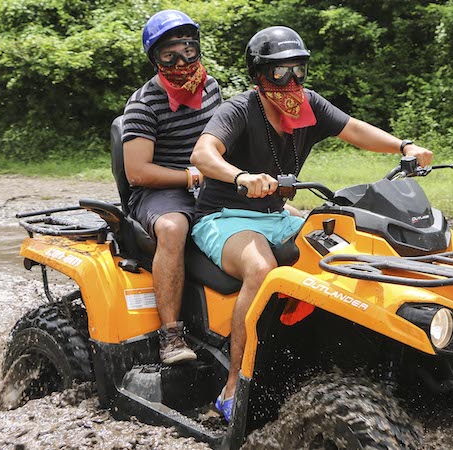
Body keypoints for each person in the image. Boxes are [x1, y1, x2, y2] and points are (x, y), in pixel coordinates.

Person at [190, 26, 433, 422]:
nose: (291, 82)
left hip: (276, 215)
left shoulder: (308, 107)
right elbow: (203, 153)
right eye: (279, 73)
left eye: (298, 70)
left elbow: (353, 128)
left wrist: (403, 146)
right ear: (258, 76)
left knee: (347, 248)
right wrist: (240, 177)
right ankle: (233, 385)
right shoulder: (239, 109)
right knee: (262, 268)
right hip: (225, 216)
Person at [121, 10, 222, 364]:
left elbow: (222, 139)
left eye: (188, 50)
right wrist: (191, 176)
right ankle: (172, 336)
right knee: (173, 227)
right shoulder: (144, 103)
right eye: (170, 55)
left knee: (280, 211)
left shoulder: (211, 88)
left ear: (197, 49)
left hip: (209, 182)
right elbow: (137, 172)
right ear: (156, 59)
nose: (182, 61)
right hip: (159, 191)